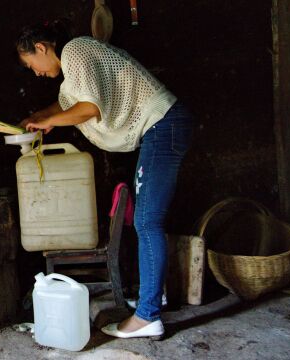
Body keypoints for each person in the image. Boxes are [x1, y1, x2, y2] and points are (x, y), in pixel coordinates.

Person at [17, 20, 193, 339]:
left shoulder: (75, 51)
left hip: (163, 125)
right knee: (147, 221)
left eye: (31, 64)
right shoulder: (74, 71)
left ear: (41, 48)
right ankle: (152, 301)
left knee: (147, 222)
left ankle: (148, 316)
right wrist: (41, 117)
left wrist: (51, 120)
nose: (35, 72)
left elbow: (90, 107)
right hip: (163, 128)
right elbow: (69, 101)